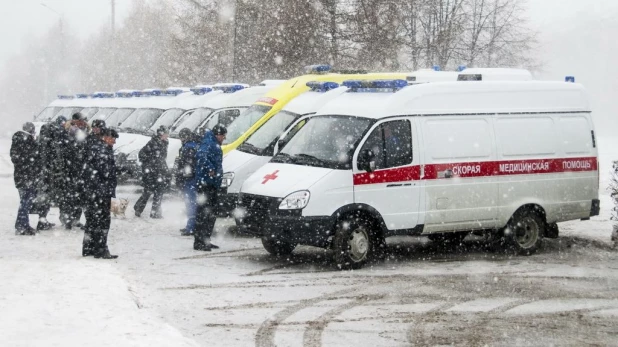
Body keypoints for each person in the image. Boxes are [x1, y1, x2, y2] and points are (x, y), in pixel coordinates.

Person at [82, 127, 119, 259]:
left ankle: (88, 248)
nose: (114, 142)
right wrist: (116, 171)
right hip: (100, 192)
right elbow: (105, 171)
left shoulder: (95, 147)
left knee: (92, 221)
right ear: (105, 137)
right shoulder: (102, 150)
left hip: (93, 191)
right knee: (102, 221)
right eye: (113, 139)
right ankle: (101, 249)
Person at [11, 122, 50, 235]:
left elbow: (17, 159)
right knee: (25, 202)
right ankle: (22, 226)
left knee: (25, 201)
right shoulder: (26, 141)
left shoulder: (18, 141)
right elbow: (31, 159)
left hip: (22, 177)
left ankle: (22, 225)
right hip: (27, 177)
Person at [193, 124, 227, 251]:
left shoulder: (212, 142)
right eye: (223, 136)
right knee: (204, 213)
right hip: (206, 184)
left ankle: (205, 240)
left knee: (210, 214)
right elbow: (201, 156)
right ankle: (200, 241)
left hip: (211, 183)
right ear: (218, 134)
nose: (224, 138)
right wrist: (210, 169)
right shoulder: (209, 142)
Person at [59, 112, 90, 229]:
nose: (83, 122)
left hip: (81, 169)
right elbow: (64, 149)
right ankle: (67, 220)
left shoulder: (85, 130)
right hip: (69, 169)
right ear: (75, 121)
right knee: (69, 197)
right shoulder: (67, 131)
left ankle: (76, 219)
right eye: (81, 120)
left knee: (80, 196)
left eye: (84, 120)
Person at [134, 125, 170, 218]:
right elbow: (141, 154)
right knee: (148, 191)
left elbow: (162, 159)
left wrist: (165, 170)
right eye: (166, 134)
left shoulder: (165, 143)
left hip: (159, 171)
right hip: (151, 172)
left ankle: (155, 212)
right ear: (161, 134)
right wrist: (149, 164)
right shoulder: (153, 142)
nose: (167, 136)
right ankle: (138, 208)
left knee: (159, 192)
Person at [175, 128, 199, 236]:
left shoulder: (189, 147)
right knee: (191, 203)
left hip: (190, 180)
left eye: (181, 137)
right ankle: (190, 226)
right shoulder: (191, 146)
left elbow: (188, 166)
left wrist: (182, 177)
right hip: (191, 179)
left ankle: (191, 227)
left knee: (191, 203)